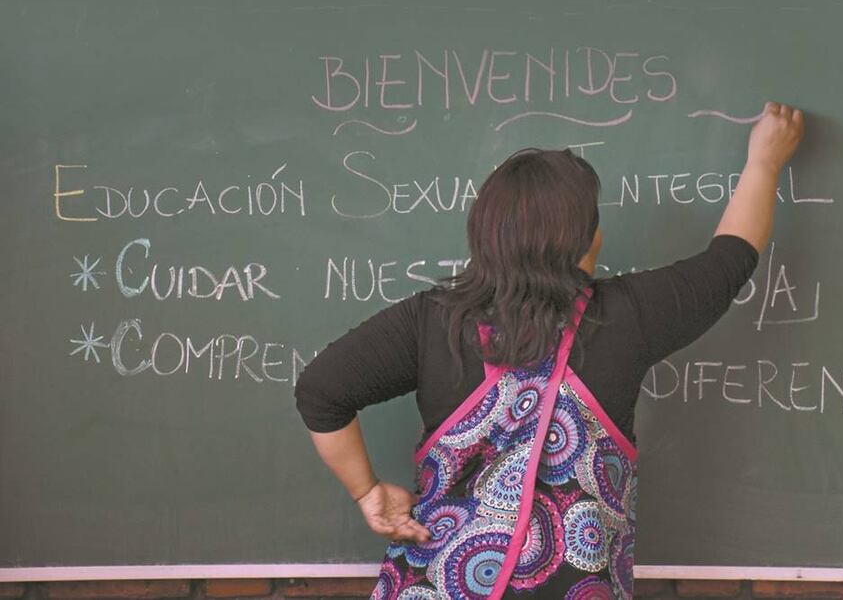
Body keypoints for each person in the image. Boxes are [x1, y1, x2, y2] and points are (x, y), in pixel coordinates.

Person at [294, 101, 805, 599]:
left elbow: (321, 391)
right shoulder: (628, 318)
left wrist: (368, 493)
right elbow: (730, 260)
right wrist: (765, 162)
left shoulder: (430, 321)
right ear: (582, 240)